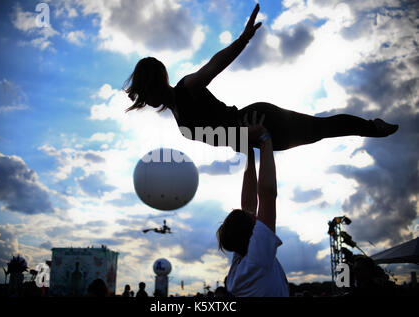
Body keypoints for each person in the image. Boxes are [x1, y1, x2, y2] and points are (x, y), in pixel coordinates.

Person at [123, 3, 398, 154]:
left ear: (156, 82)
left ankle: (371, 127)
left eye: (144, 90)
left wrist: (243, 40)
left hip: (258, 120)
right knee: (317, 133)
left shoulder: (186, 88)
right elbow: (227, 139)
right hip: (256, 139)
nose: (144, 98)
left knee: (320, 129)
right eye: (141, 94)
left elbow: (213, 65)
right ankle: (370, 127)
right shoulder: (177, 115)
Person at [216, 111, 288, 297]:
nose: (253, 212)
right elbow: (267, 195)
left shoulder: (243, 262)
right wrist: (264, 139)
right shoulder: (256, 260)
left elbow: (251, 203)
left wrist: (247, 151)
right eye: (251, 216)